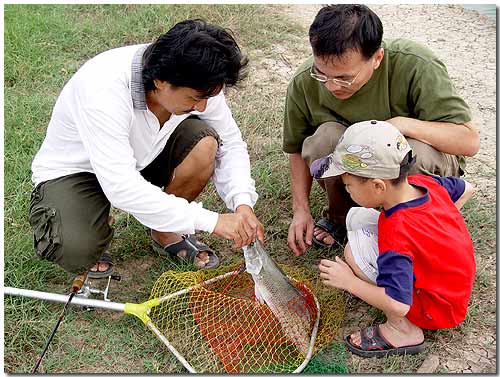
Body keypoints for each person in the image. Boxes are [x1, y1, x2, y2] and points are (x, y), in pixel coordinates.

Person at [29, 19, 264, 278]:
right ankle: (90, 216)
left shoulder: (199, 78)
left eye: (208, 98)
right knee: (78, 248)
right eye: (195, 99)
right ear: (161, 81)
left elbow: (230, 142)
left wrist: (242, 203)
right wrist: (214, 222)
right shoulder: (102, 90)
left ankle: (164, 230)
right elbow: (122, 187)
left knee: (207, 144)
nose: (203, 108)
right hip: (80, 172)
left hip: (146, 155)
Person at [283, 4, 480, 256]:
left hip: (414, 154)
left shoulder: (416, 64)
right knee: (321, 141)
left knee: (414, 152)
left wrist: (402, 125)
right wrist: (301, 210)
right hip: (358, 159)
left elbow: (468, 141)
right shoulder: (304, 81)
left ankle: (413, 224)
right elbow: (297, 148)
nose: (332, 86)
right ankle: (341, 217)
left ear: (377, 58)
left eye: (344, 78)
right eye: (322, 74)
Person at [311, 120, 475, 357]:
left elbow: (398, 303)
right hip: (452, 289)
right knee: (358, 218)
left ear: (378, 186)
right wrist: (438, 233)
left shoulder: (397, 232)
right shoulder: (423, 183)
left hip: (435, 309)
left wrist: (349, 281)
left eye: (348, 186)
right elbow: (466, 188)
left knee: (352, 254)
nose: (347, 191)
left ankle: (402, 331)